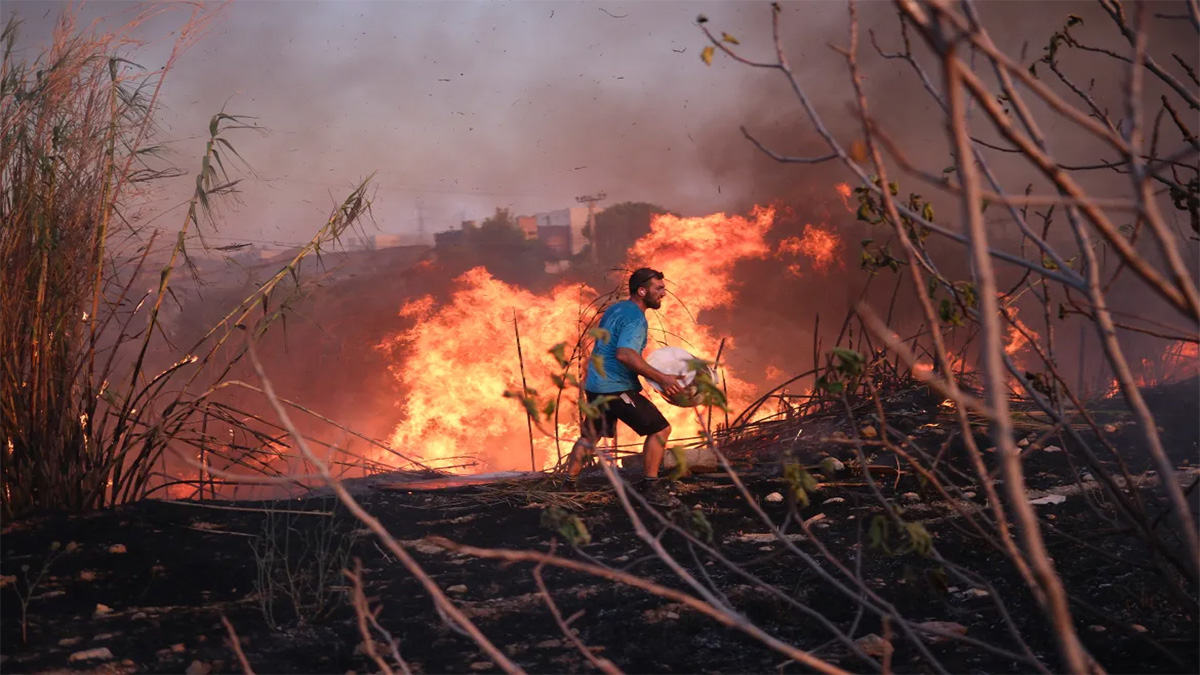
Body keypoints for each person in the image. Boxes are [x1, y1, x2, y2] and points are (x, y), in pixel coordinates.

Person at [564, 267, 685, 506]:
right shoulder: (635, 318)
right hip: (615, 388)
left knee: (591, 435)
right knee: (660, 429)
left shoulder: (616, 308)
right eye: (658, 288)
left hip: (596, 383)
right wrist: (661, 378)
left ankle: (568, 483)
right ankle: (651, 486)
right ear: (642, 291)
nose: (664, 293)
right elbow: (625, 355)